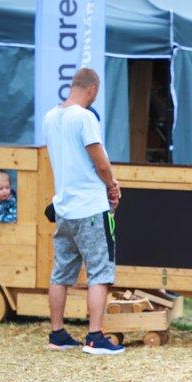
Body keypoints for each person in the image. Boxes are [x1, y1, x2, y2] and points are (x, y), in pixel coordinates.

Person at [43, 68, 123, 355]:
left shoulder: (50, 117)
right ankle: (95, 336)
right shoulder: (85, 117)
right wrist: (112, 185)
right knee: (100, 272)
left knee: (61, 272)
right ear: (92, 90)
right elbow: (100, 162)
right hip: (90, 207)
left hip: (63, 206)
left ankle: (57, 333)